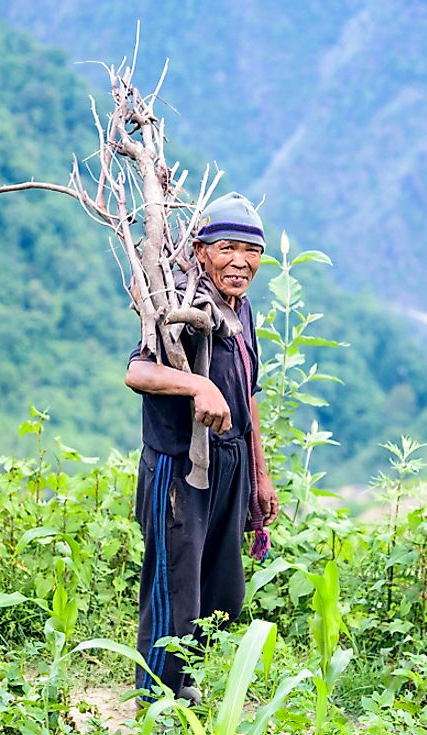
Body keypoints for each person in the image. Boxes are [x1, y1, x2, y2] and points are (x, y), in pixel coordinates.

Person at [125, 192, 280, 703]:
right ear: (200, 250)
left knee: (222, 589)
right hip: (181, 467)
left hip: (230, 465)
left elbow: (249, 392)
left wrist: (260, 475)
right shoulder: (179, 306)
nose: (240, 261)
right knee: (176, 584)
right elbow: (137, 371)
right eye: (227, 248)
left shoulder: (244, 307)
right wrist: (198, 386)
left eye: (251, 251)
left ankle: (182, 677)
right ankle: (156, 694)